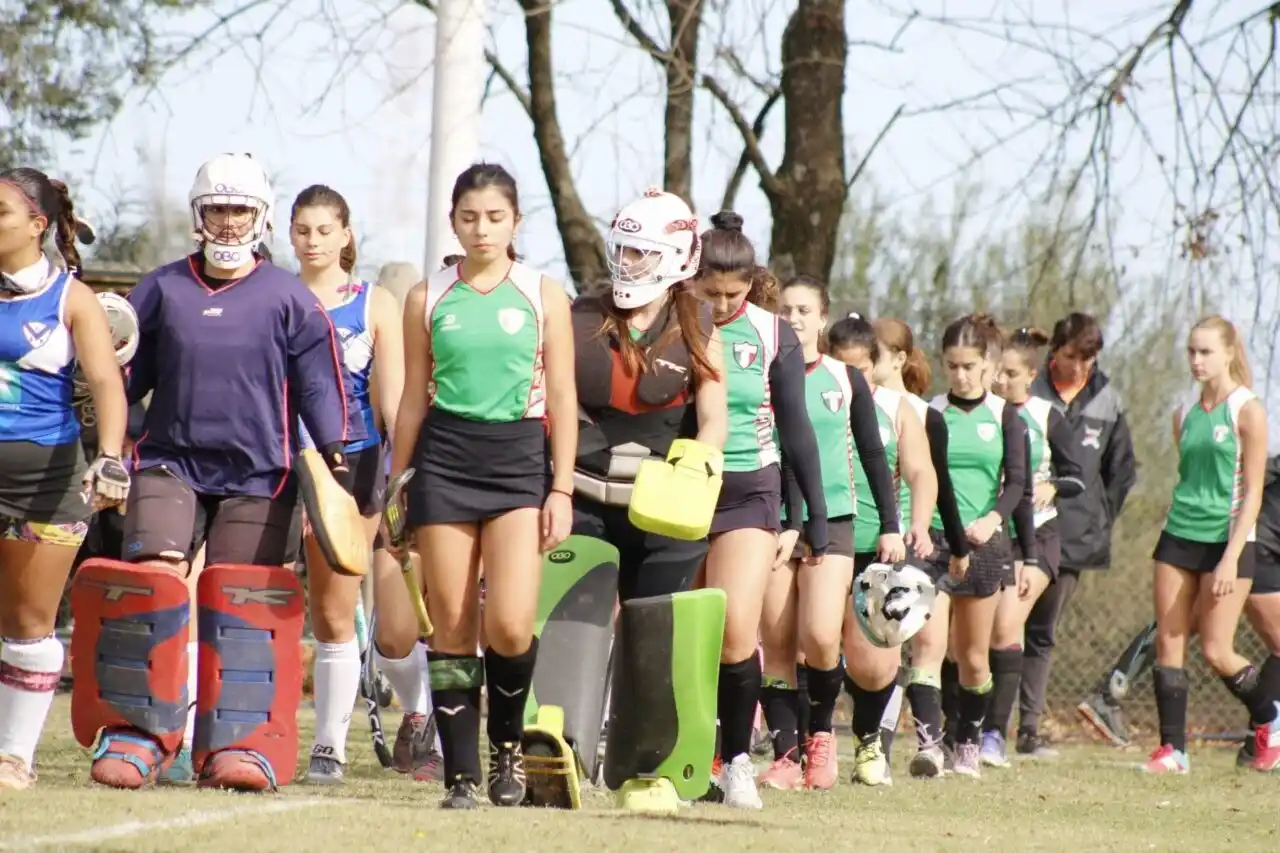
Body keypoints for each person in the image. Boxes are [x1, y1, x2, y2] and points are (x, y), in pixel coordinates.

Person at [70, 152, 358, 792]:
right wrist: (100, 431)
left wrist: (338, 462)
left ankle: (242, 743)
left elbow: (319, 387)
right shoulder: (162, 288)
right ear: (198, 217)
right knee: (155, 585)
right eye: (217, 210)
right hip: (168, 462)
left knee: (243, 597)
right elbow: (119, 377)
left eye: (240, 211)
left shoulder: (289, 297)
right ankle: (139, 735)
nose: (228, 223)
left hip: (262, 473)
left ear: (260, 217)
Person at [389, 163, 576, 810]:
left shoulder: (542, 292)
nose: (482, 228)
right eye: (469, 217)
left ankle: (507, 748)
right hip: (445, 458)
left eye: (495, 216)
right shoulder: (427, 296)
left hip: (520, 460)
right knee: (451, 622)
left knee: (511, 623)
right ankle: (463, 774)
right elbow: (413, 398)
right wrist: (395, 486)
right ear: (453, 222)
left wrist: (562, 489)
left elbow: (563, 397)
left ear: (516, 221)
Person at [692, 212, 829, 810]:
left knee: (735, 629)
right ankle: (684, 756)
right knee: (683, 635)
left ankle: (737, 761)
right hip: (681, 486)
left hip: (750, 488)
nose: (721, 305)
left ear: (751, 283)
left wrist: (809, 516)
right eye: (710, 292)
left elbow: (798, 430)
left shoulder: (774, 335)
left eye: (733, 293)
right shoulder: (675, 321)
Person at [0, 168, 129, 790]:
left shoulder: (71, 298)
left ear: (37, 226)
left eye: (1, 213)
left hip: (46, 481)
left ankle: (14, 757)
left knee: (28, 622)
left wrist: (109, 457)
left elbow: (107, 384)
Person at [288, 185, 419, 783]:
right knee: (315, 611)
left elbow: (392, 401)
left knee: (343, 610)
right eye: (302, 230)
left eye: (323, 230)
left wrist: (403, 479)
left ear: (345, 234)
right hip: (280, 463)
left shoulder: (375, 303)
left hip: (355, 468)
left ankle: (335, 747)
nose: (312, 241)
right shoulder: (275, 296)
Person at [756, 293, 905, 792]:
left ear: (822, 318)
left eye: (803, 311)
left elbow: (871, 452)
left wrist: (889, 522)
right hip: (772, 518)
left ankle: (821, 735)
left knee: (821, 636)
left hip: (834, 521)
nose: (793, 319)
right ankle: (785, 755)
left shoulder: (846, 379)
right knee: (776, 642)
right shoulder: (761, 373)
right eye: (785, 311)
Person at [571, 189, 725, 602]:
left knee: (652, 641)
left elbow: (715, 419)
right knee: (576, 642)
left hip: (663, 508)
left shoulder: (700, 326)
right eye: (621, 250)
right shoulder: (580, 316)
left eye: (639, 253)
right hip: (584, 498)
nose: (626, 262)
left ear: (676, 256)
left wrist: (692, 472)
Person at [1140, 316, 1278, 773]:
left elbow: (1253, 491)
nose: (1196, 361)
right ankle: (1173, 751)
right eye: (1191, 352)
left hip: (1228, 543)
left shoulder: (1247, 410)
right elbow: (1191, 477)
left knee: (1217, 650)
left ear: (1228, 353)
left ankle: (1270, 719)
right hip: (1179, 535)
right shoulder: (1183, 412)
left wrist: (1230, 556)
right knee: (1170, 639)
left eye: (1205, 353)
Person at [1022, 313, 1137, 755]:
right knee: (1002, 626)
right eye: (1070, 356)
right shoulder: (1029, 388)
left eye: (1087, 359)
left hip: (1074, 537)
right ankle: (979, 724)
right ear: (1054, 350)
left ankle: (1028, 730)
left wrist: (1099, 515)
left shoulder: (1107, 398)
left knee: (1042, 631)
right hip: (1020, 529)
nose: (1077, 367)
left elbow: (1121, 471)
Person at [927, 313, 1033, 778]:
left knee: (972, 656)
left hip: (986, 547)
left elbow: (1017, 484)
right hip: (932, 542)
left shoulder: (1006, 415)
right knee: (928, 647)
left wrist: (993, 519)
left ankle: (968, 738)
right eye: (952, 365)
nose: (961, 375)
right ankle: (929, 744)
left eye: (969, 365)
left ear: (988, 364)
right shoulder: (931, 411)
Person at [978, 327, 1084, 767]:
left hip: (1040, 536)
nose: (1002, 380)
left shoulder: (1046, 416)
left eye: (1012, 373)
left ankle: (994, 736)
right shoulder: (986, 414)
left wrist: (1052, 487)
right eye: (997, 372)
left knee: (1008, 627)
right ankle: (969, 727)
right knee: (979, 634)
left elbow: (1078, 476)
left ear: (1031, 375)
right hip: (997, 534)